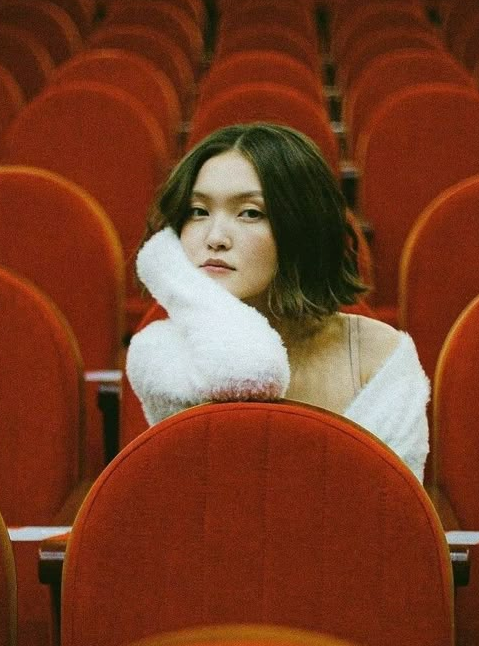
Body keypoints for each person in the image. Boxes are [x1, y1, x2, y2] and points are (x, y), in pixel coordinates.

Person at [125, 123, 430, 482]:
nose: (215, 238)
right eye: (197, 211)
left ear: (301, 228)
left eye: (250, 213)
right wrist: (168, 272)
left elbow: (393, 514)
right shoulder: (163, 353)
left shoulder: (382, 356)